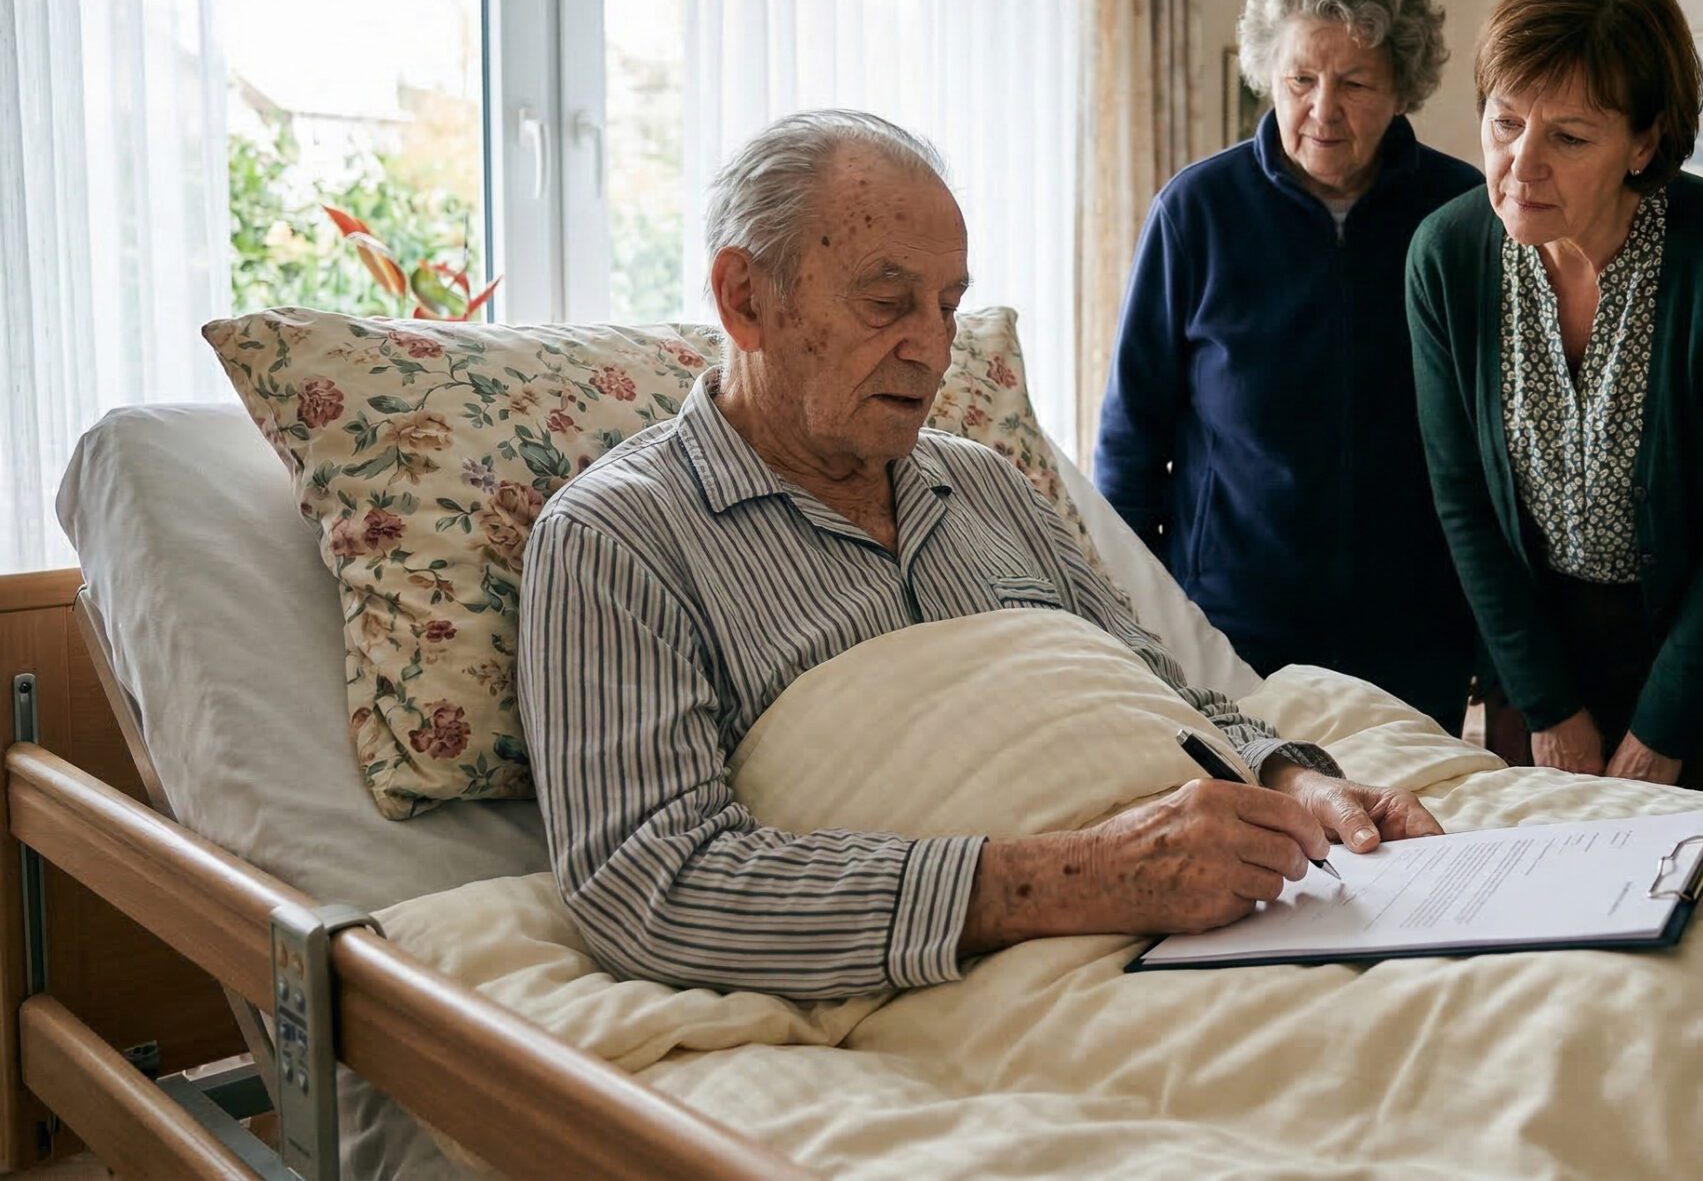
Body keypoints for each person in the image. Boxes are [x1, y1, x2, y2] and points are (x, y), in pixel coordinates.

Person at [517, 110, 1439, 1000]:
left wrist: (1297, 780)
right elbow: (653, 885)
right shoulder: (618, 539)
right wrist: (1087, 877)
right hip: (1019, 975)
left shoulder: (987, 482)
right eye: (887, 303)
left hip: (1237, 910)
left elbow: (1167, 692)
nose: (932, 349)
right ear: (747, 299)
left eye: (949, 307)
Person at [1406, 0, 1703, 799]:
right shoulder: (1446, 256)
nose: (1520, 166)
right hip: (1545, 647)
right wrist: (1549, 706)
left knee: (1697, 890)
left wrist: (1662, 731)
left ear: (1643, 142)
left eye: (1568, 136)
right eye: (1505, 123)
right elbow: (1464, 501)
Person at [1092, 0, 1483, 732]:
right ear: (1268, 72)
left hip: (1415, 630)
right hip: (1234, 631)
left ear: (1403, 86)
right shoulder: (1197, 211)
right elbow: (1131, 438)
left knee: (1424, 844)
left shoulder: (1462, 214)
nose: (1323, 110)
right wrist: (1135, 620)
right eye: (1301, 77)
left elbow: (1498, 443)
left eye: (1357, 83)